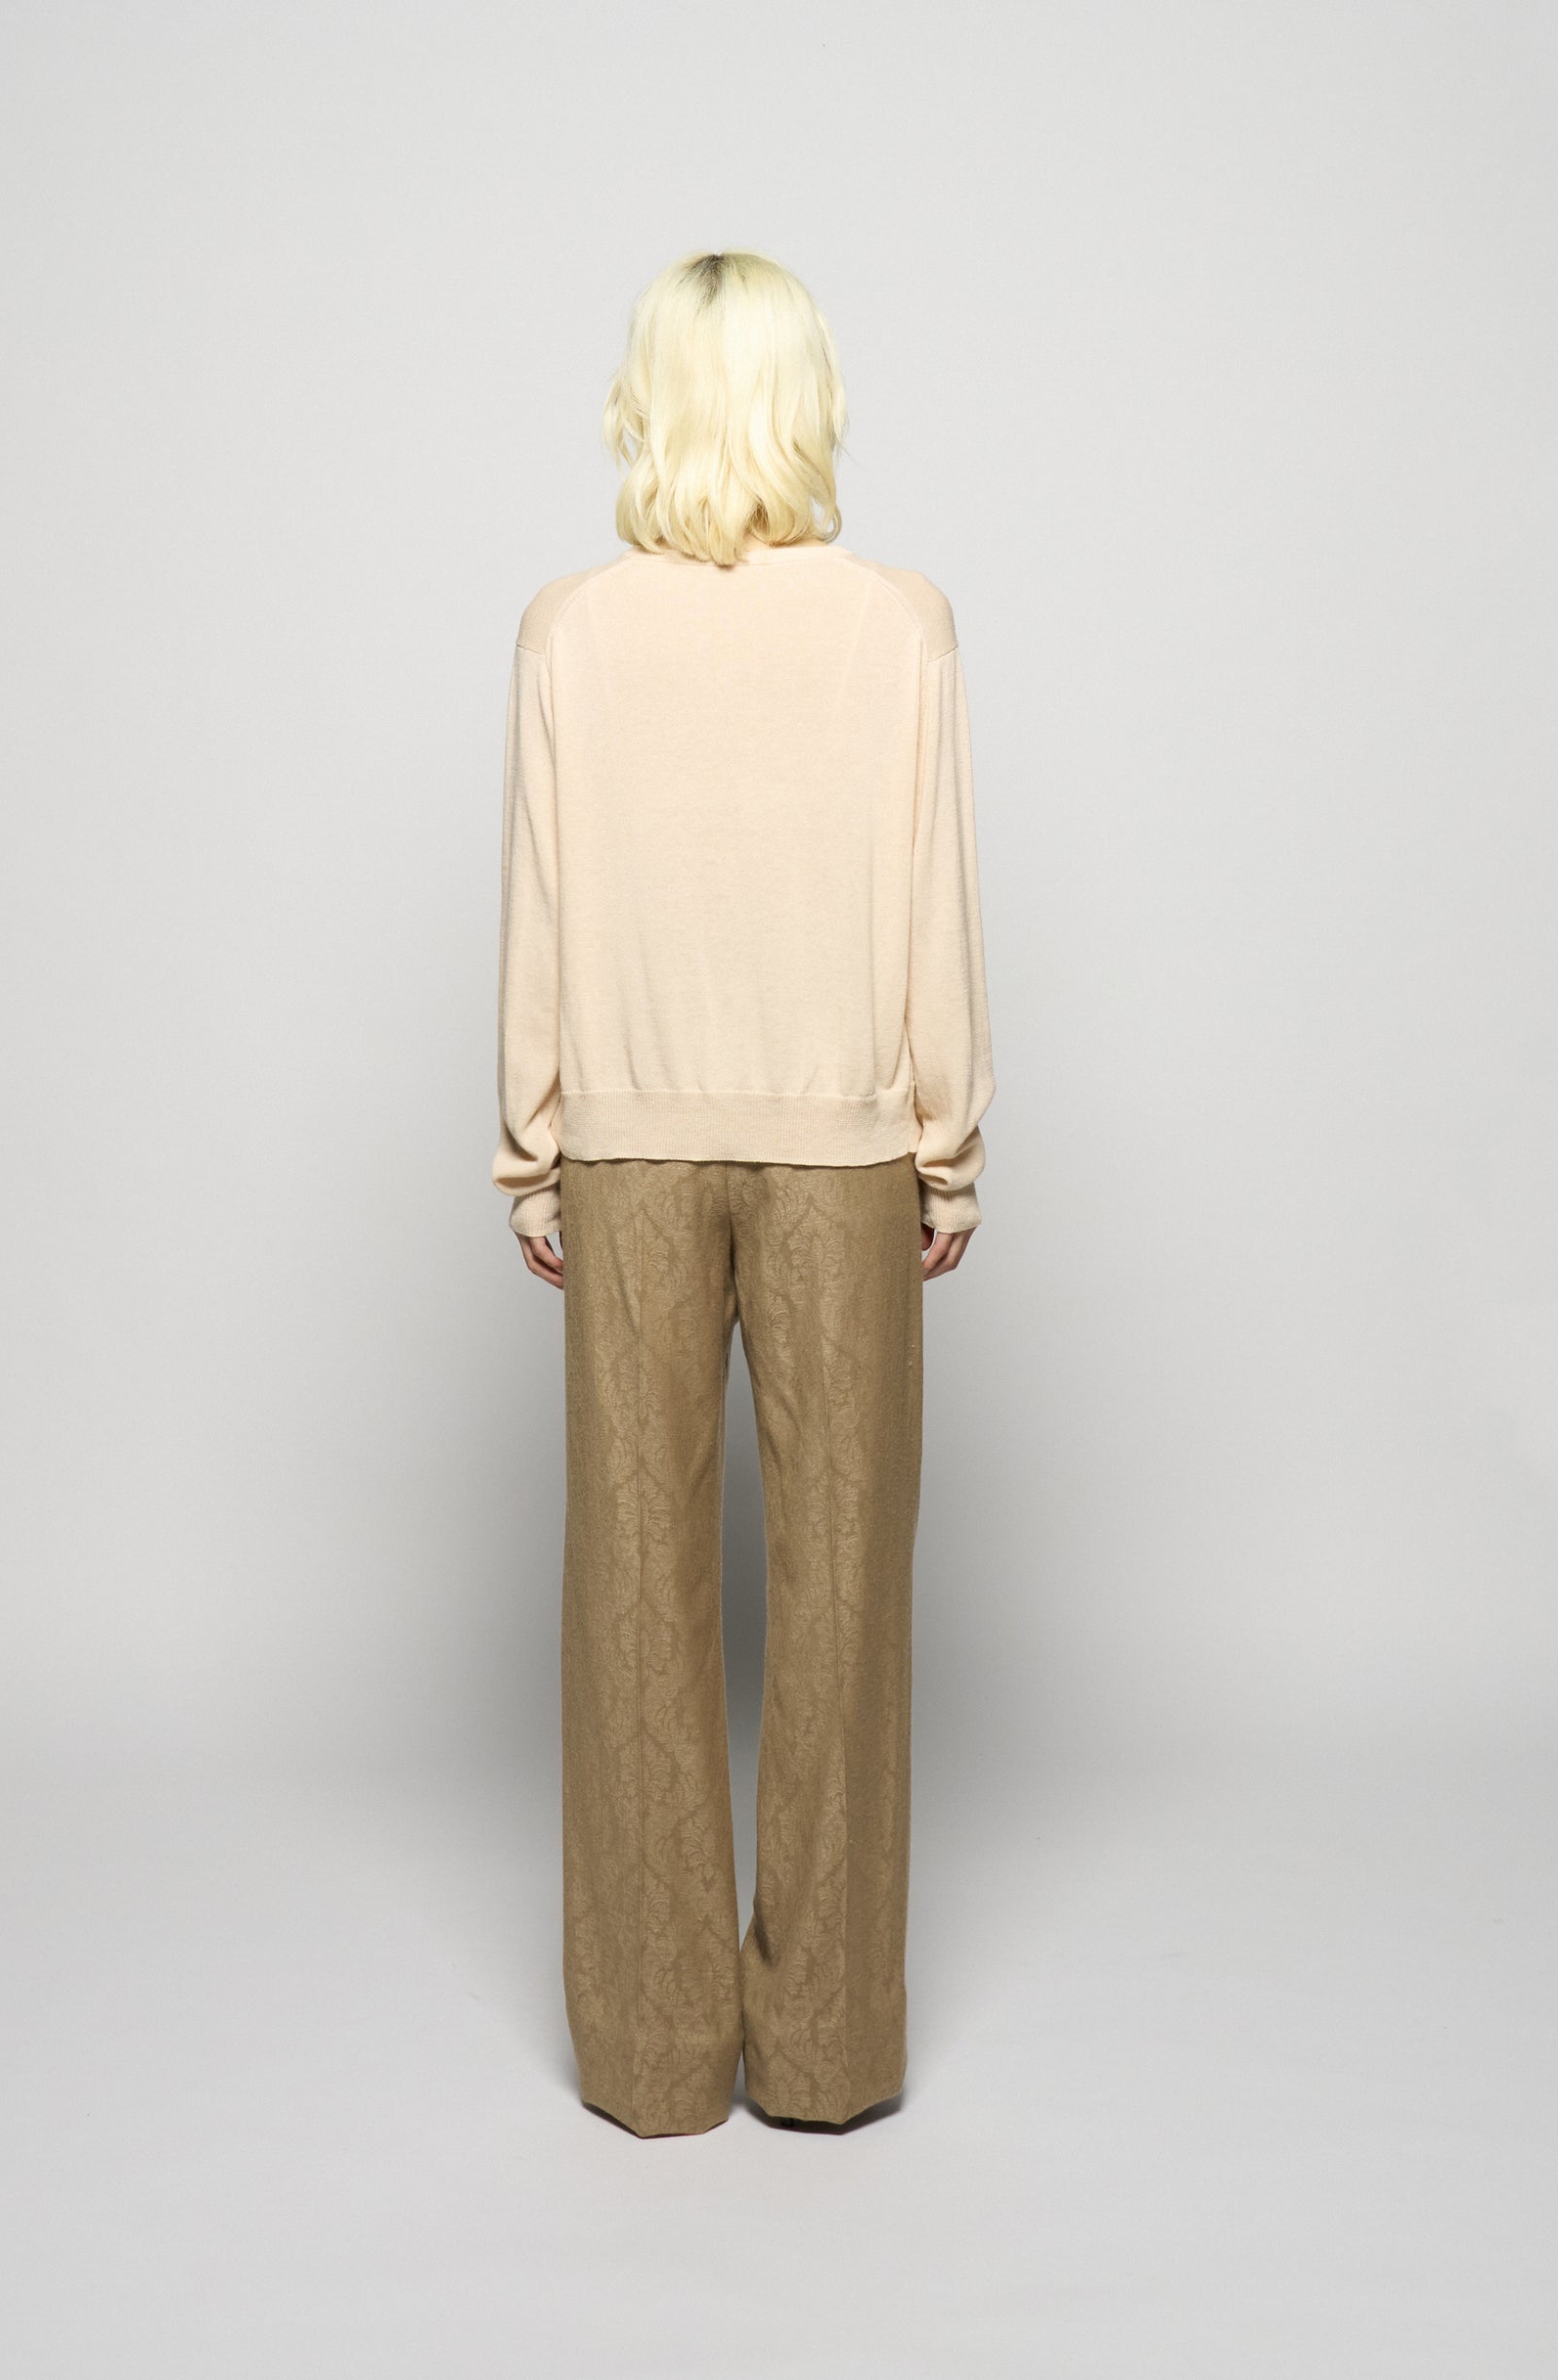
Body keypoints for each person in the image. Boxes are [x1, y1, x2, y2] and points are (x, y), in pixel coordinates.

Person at [492, 248, 995, 2137]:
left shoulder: (568, 628)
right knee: (845, 1590)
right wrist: (946, 1141)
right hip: (843, 1150)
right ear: (805, 400)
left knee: (631, 1591)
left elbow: (541, 900)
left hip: (623, 1146)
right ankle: (828, 2047)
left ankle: (647, 2051)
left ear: (653, 400)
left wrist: (531, 1141)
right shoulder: (899, 623)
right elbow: (934, 895)